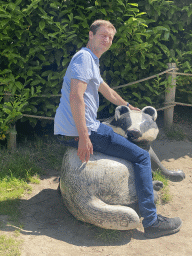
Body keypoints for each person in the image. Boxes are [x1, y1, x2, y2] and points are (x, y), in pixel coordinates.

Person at [54, 20, 182, 238]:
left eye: (110, 38)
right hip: (81, 130)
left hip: (70, 129)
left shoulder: (91, 61)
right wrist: (84, 137)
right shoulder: (84, 58)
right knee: (141, 156)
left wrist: (129, 106)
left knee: (113, 132)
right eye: (103, 35)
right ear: (91, 35)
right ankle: (152, 222)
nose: (107, 40)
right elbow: (75, 97)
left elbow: (108, 91)